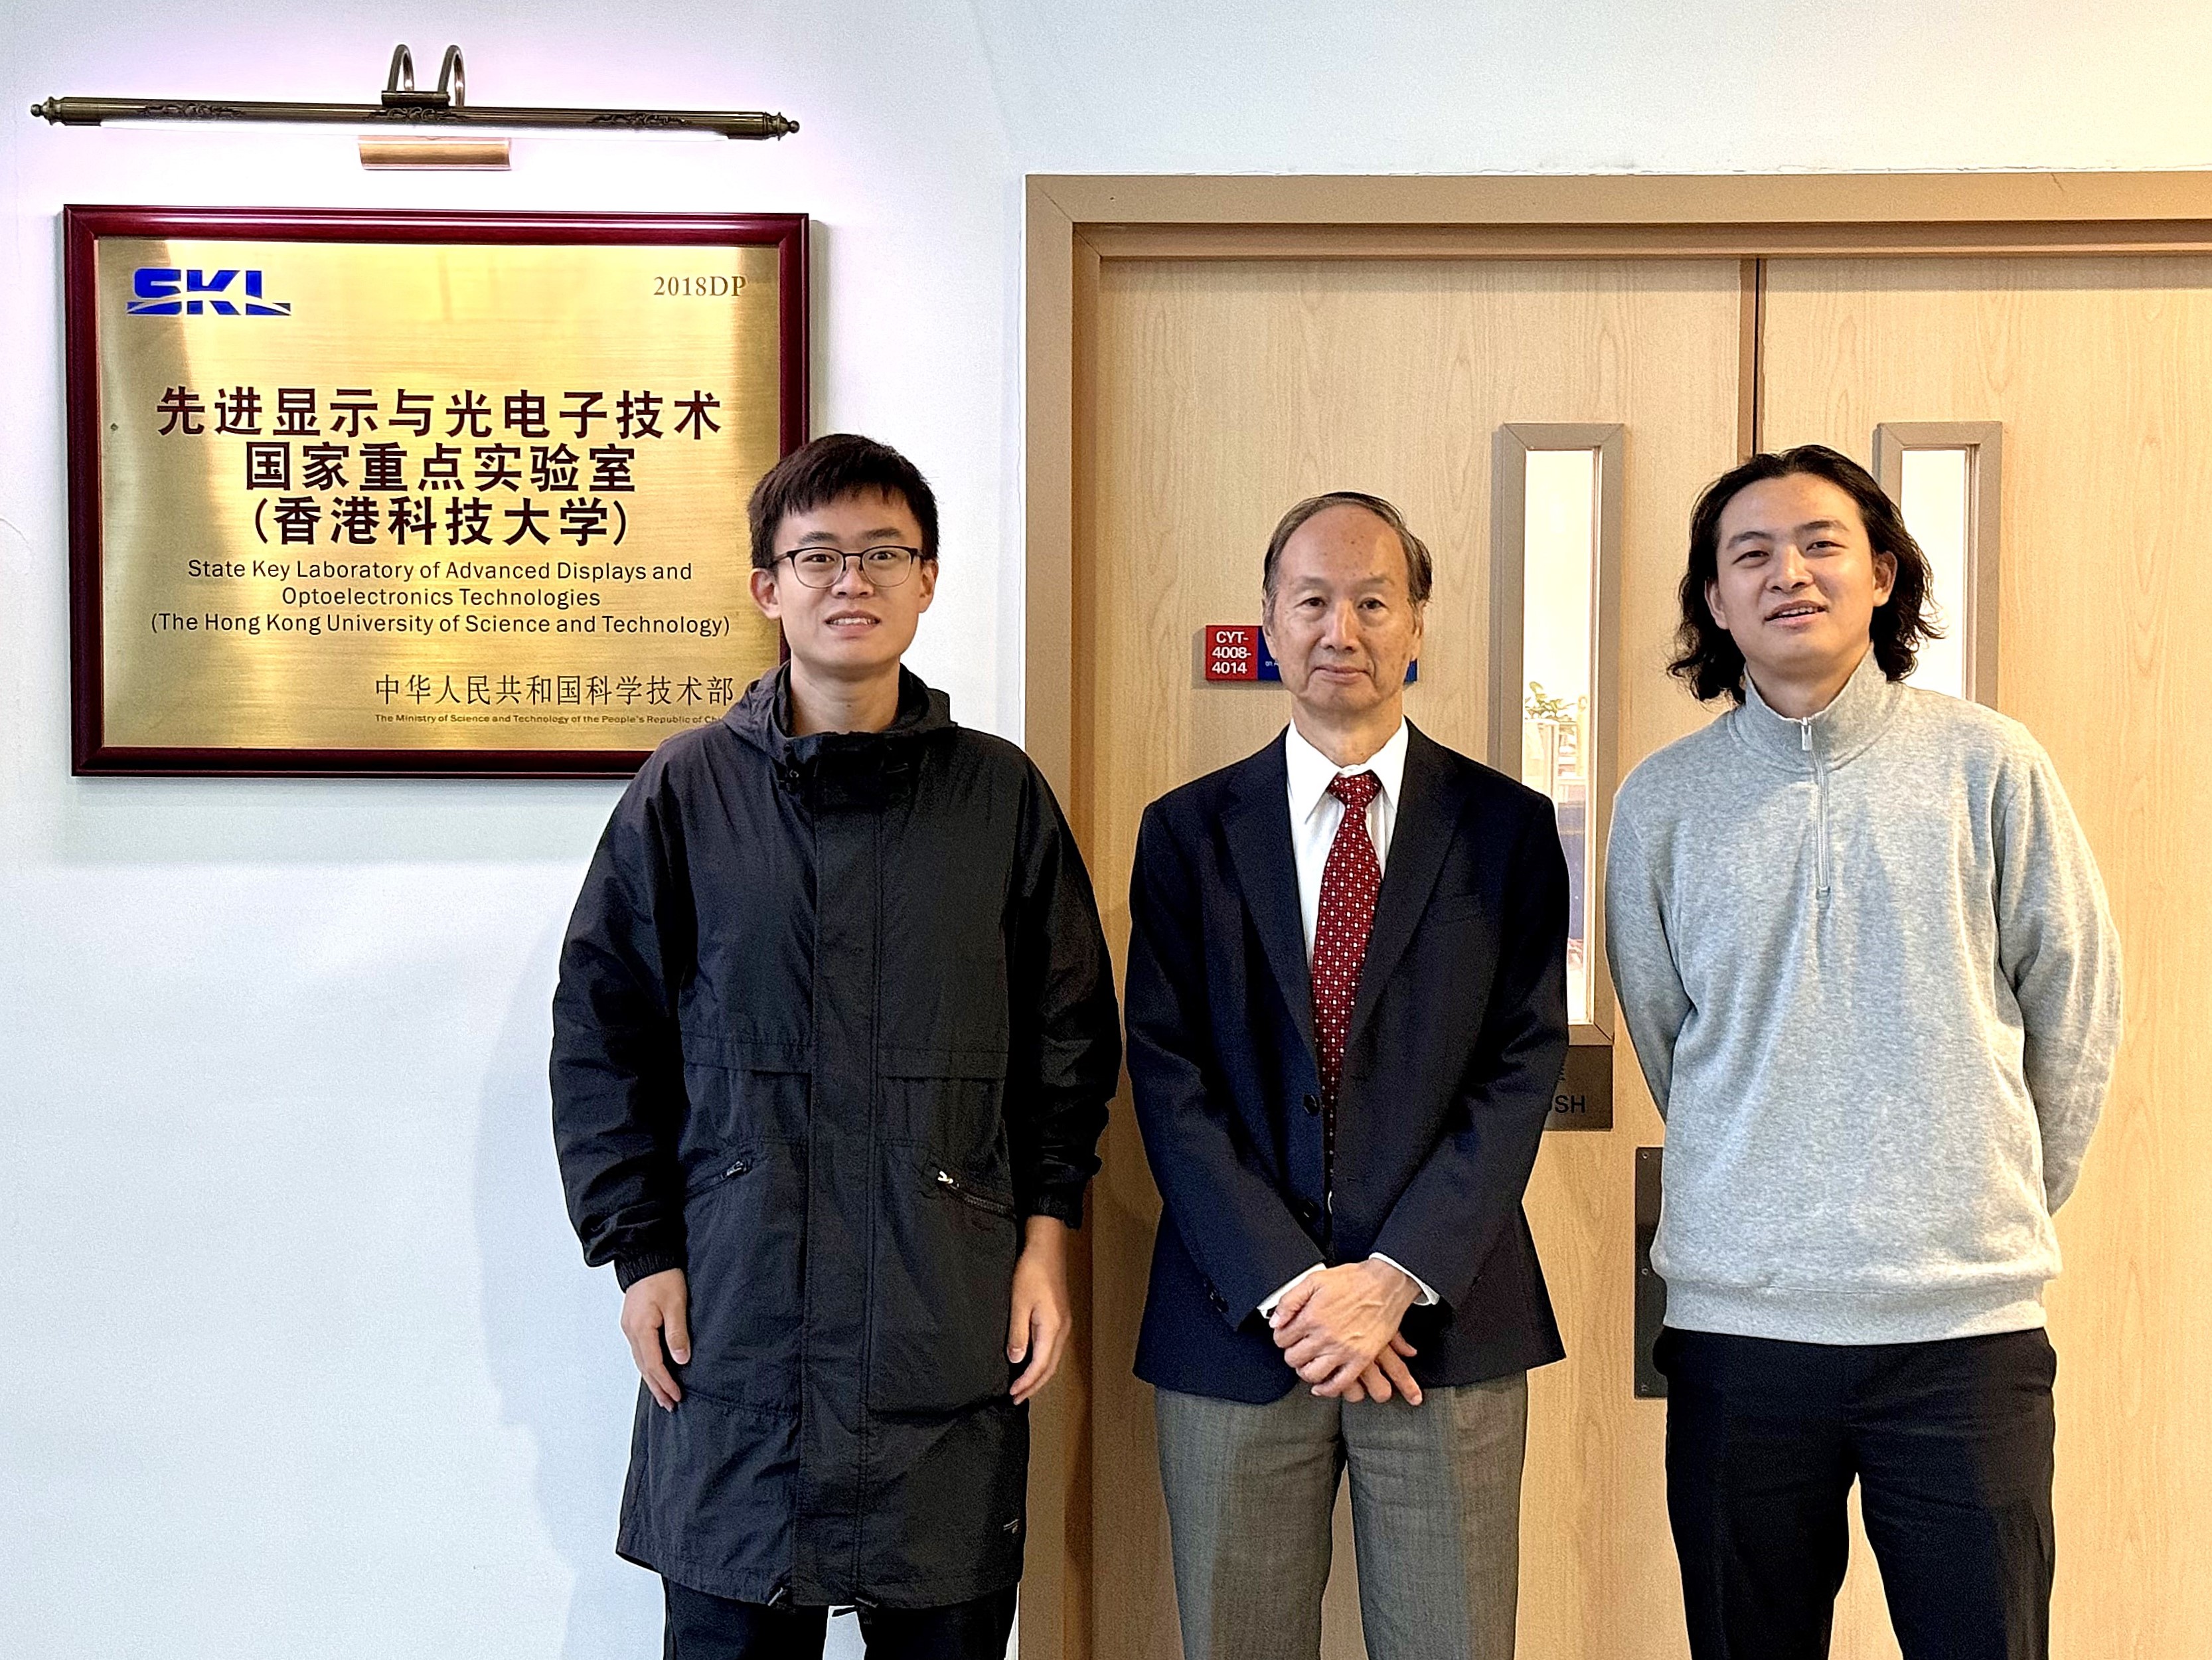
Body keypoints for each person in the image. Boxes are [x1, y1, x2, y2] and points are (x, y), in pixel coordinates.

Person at [551, 433, 1122, 1659]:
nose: (848, 581)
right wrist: (639, 1252)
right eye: (816, 556)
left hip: (944, 1311)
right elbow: (604, 1037)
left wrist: (1045, 1240)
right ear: (768, 586)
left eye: (882, 554)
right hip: (737, 1316)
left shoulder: (999, 797)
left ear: (928, 581)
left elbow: (1067, 1042)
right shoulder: (688, 791)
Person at [1605, 444, 2123, 1660]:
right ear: (1716, 603)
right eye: (1751, 555)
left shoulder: (1992, 764)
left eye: (1822, 543)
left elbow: (2077, 1005)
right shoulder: (1664, 802)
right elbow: (1667, 1033)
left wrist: (1985, 1195)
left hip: (1963, 1335)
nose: (1790, 574)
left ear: (1882, 573)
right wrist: (1763, 1173)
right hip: (1742, 1331)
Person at [1124, 491, 1569, 1660]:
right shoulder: (1184, 833)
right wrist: (1293, 1285)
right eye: (1312, 600)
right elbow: (1166, 1077)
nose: (1342, 629)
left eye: (1374, 601)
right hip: (1237, 1326)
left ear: (1417, 624)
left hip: (1445, 1326)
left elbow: (1522, 1065)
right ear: (1268, 620)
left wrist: (1392, 1276)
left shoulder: (1509, 832)